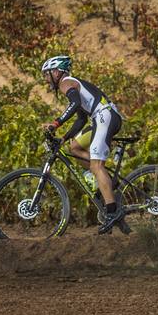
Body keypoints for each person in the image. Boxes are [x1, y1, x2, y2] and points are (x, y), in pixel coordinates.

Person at [39, 55, 127, 233]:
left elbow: (75, 103)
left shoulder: (66, 82)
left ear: (56, 72)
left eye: (47, 75)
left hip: (104, 116)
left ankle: (111, 212)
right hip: (102, 117)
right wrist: (63, 138)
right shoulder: (74, 85)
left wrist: (55, 124)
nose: (47, 80)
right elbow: (80, 119)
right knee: (74, 148)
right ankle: (103, 177)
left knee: (96, 166)